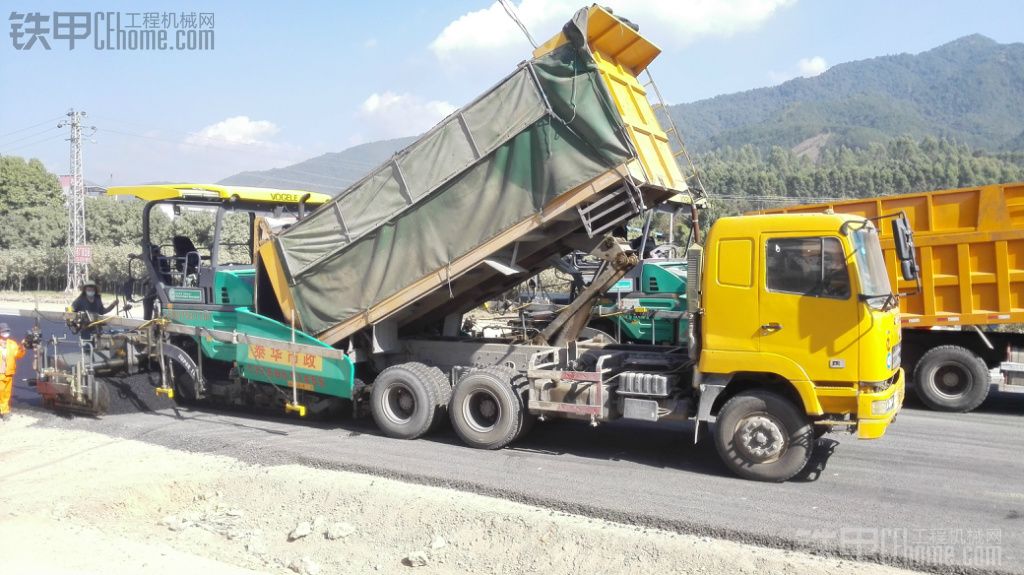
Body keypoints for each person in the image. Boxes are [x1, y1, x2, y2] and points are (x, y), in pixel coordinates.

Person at [0, 322, 26, 422]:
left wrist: (22, 347)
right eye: (4, 331)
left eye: (7, 331)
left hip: (8, 372)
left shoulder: (12, 344)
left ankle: (4, 411)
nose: (6, 333)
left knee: (6, 393)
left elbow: (18, 355)